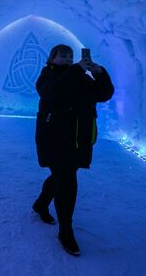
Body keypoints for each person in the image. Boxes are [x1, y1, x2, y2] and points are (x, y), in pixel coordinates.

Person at [33, 44, 114, 256]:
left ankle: (41, 204)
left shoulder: (83, 77)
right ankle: (65, 230)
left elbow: (104, 94)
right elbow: (53, 93)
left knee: (63, 175)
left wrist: (99, 73)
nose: (67, 59)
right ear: (52, 58)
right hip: (54, 138)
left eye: (70, 56)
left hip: (79, 137)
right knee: (66, 179)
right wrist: (77, 69)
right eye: (62, 56)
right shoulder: (47, 76)